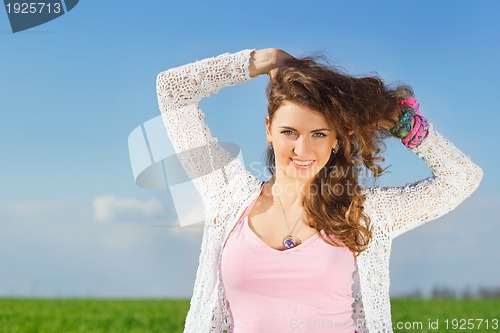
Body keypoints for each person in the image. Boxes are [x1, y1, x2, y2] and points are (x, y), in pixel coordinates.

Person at [156, 48, 483, 333]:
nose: (302, 148)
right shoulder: (227, 194)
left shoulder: (364, 212)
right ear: (268, 130)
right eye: (289, 131)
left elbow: (463, 178)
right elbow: (172, 91)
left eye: (318, 134)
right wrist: (265, 59)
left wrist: (404, 123)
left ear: (337, 138)